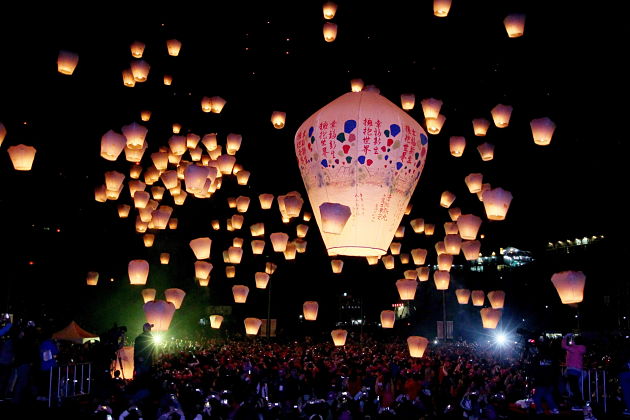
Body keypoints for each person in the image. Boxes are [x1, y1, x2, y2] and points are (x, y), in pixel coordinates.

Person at [561, 333, 586, 411]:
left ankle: (579, 405)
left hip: (572, 370)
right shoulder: (581, 348)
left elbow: (564, 346)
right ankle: (578, 404)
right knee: (575, 388)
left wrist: (565, 337)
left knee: (574, 389)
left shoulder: (573, 349)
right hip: (578, 370)